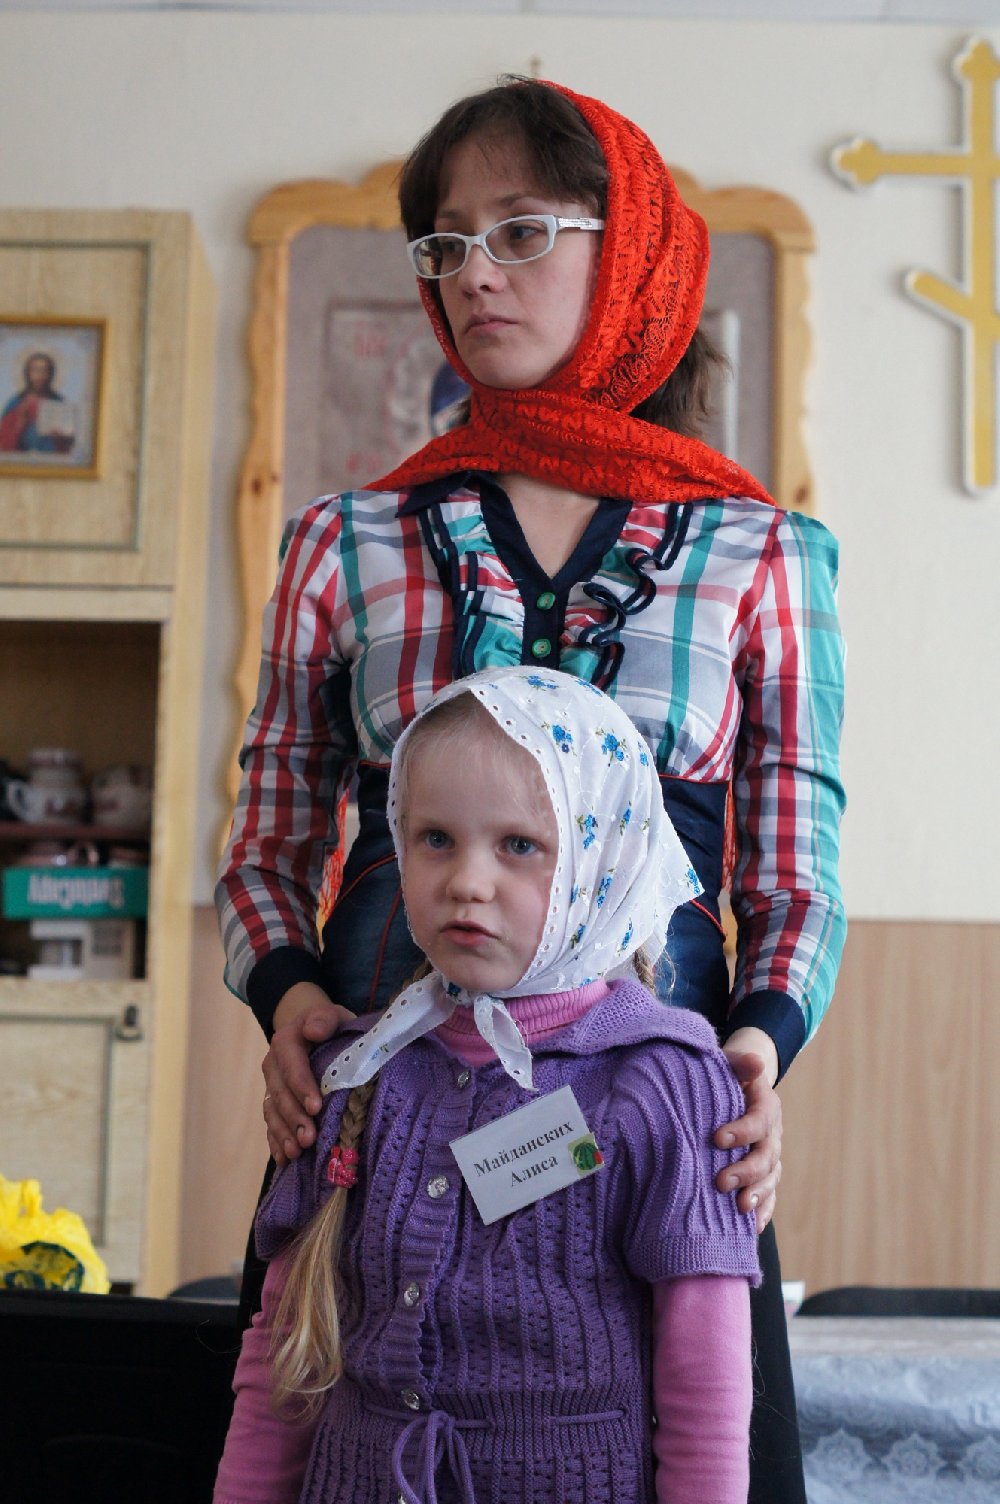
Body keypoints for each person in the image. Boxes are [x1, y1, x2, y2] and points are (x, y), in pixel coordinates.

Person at [217, 77, 846, 1503]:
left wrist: (757, 1047)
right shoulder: (345, 541)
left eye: (521, 231)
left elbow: (793, 862)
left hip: (656, 1126)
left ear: (633, 258)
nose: (474, 275)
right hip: (377, 1117)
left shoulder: (758, 551)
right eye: (445, 243)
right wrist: (290, 999)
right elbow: (268, 837)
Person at [214, 668, 762, 1504]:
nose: (467, 881)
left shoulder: (662, 1084)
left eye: (518, 846)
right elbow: (282, 1356)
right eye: (436, 838)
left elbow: (706, 1393)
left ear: (603, 862)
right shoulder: (356, 1073)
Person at [0, 352, 72, 453]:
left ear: (51, 374)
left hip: (51, 460)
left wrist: (60, 438)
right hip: (21, 459)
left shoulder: (60, 403)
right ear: (27, 373)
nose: (40, 375)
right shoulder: (15, 403)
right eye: (35, 370)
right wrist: (19, 425)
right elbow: (3, 442)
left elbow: (70, 445)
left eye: (45, 370)